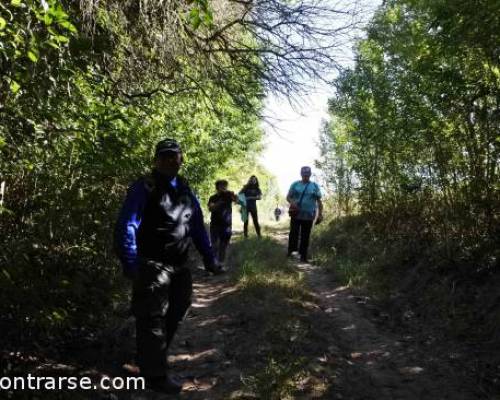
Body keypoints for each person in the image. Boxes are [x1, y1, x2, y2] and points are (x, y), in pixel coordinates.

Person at [114, 138, 222, 394]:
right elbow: (127, 224)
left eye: (175, 155)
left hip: (180, 265)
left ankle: (146, 361)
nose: (171, 160)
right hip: (152, 264)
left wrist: (209, 258)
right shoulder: (145, 187)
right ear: (156, 160)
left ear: (181, 159)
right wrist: (130, 260)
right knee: (151, 318)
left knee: (179, 310)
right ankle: (155, 375)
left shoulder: (185, 189)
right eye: (165, 156)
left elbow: (197, 226)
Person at [286, 166, 323, 263]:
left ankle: (303, 256)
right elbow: (288, 197)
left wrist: (320, 214)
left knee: (305, 235)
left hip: (309, 215)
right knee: (294, 233)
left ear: (310, 174)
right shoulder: (295, 184)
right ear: (301, 174)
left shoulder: (315, 186)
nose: (305, 176)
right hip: (296, 213)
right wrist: (292, 203)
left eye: (307, 174)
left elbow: (319, 201)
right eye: (304, 174)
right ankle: (291, 252)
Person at [208, 180, 240, 267]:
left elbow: (238, 202)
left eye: (225, 186)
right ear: (217, 187)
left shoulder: (229, 196)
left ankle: (220, 264)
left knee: (223, 246)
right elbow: (211, 208)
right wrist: (219, 203)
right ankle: (213, 264)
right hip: (215, 224)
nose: (224, 187)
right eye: (222, 186)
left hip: (226, 225)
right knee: (214, 245)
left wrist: (233, 195)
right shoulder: (213, 197)